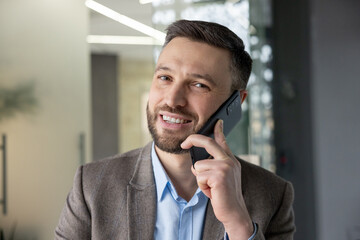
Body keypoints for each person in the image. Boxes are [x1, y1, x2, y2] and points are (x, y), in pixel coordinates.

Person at [55, 20, 295, 240]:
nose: (173, 99)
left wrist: (238, 224)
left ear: (236, 103)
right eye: (165, 77)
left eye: (199, 85)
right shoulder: (92, 186)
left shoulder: (272, 195)